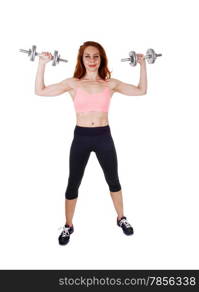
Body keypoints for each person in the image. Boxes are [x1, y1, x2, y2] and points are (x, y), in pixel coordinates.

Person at [35, 41, 147, 246]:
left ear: (101, 58)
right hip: (82, 137)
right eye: (88, 56)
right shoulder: (73, 83)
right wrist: (42, 63)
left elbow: (141, 90)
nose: (92, 60)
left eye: (96, 56)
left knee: (113, 180)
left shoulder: (110, 84)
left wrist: (142, 65)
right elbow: (40, 91)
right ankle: (68, 225)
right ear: (82, 59)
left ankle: (121, 218)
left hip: (104, 136)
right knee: (73, 182)